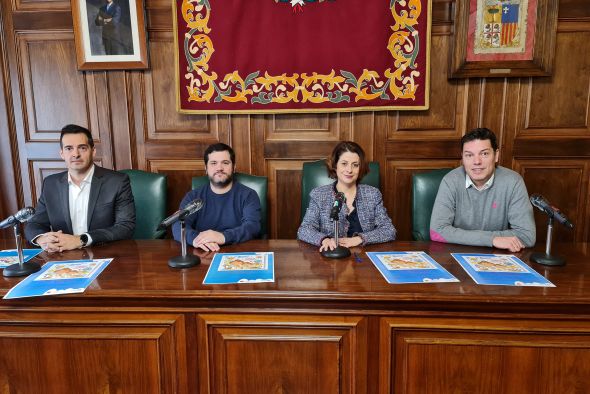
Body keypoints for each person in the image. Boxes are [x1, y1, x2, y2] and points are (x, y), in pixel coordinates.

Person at [25, 124, 135, 252]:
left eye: (82, 148)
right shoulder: (51, 184)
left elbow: (126, 227)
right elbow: (35, 223)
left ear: (93, 151)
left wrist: (81, 240)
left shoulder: (117, 182)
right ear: (62, 154)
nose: (75, 154)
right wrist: (41, 239)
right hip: (63, 256)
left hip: (105, 253)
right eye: (69, 148)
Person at [429, 127, 536, 252]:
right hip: (456, 255)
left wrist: (477, 238)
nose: (477, 161)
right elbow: (437, 231)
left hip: (498, 259)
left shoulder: (513, 182)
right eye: (469, 155)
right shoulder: (451, 181)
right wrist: (492, 239)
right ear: (462, 158)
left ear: (496, 155)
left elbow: (527, 235)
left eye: (484, 154)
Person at [297, 141, 396, 251]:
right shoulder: (319, 194)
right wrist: (324, 240)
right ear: (335, 166)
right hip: (329, 260)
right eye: (344, 163)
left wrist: (359, 239)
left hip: (364, 261)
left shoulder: (372, 194)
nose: (349, 170)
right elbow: (304, 230)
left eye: (355, 165)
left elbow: (389, 230)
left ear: (360, 168)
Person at [172, 143, 261, 252]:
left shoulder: (249, 195)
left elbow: (252, 226)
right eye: (213, 163)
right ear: (206, 168)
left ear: (234, 167)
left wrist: (223, 237)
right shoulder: (193, 197)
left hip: (238, 253)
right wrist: (195, 239)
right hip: (203, 253)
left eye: (225, 163)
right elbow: (178, 225)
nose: (219, 168)